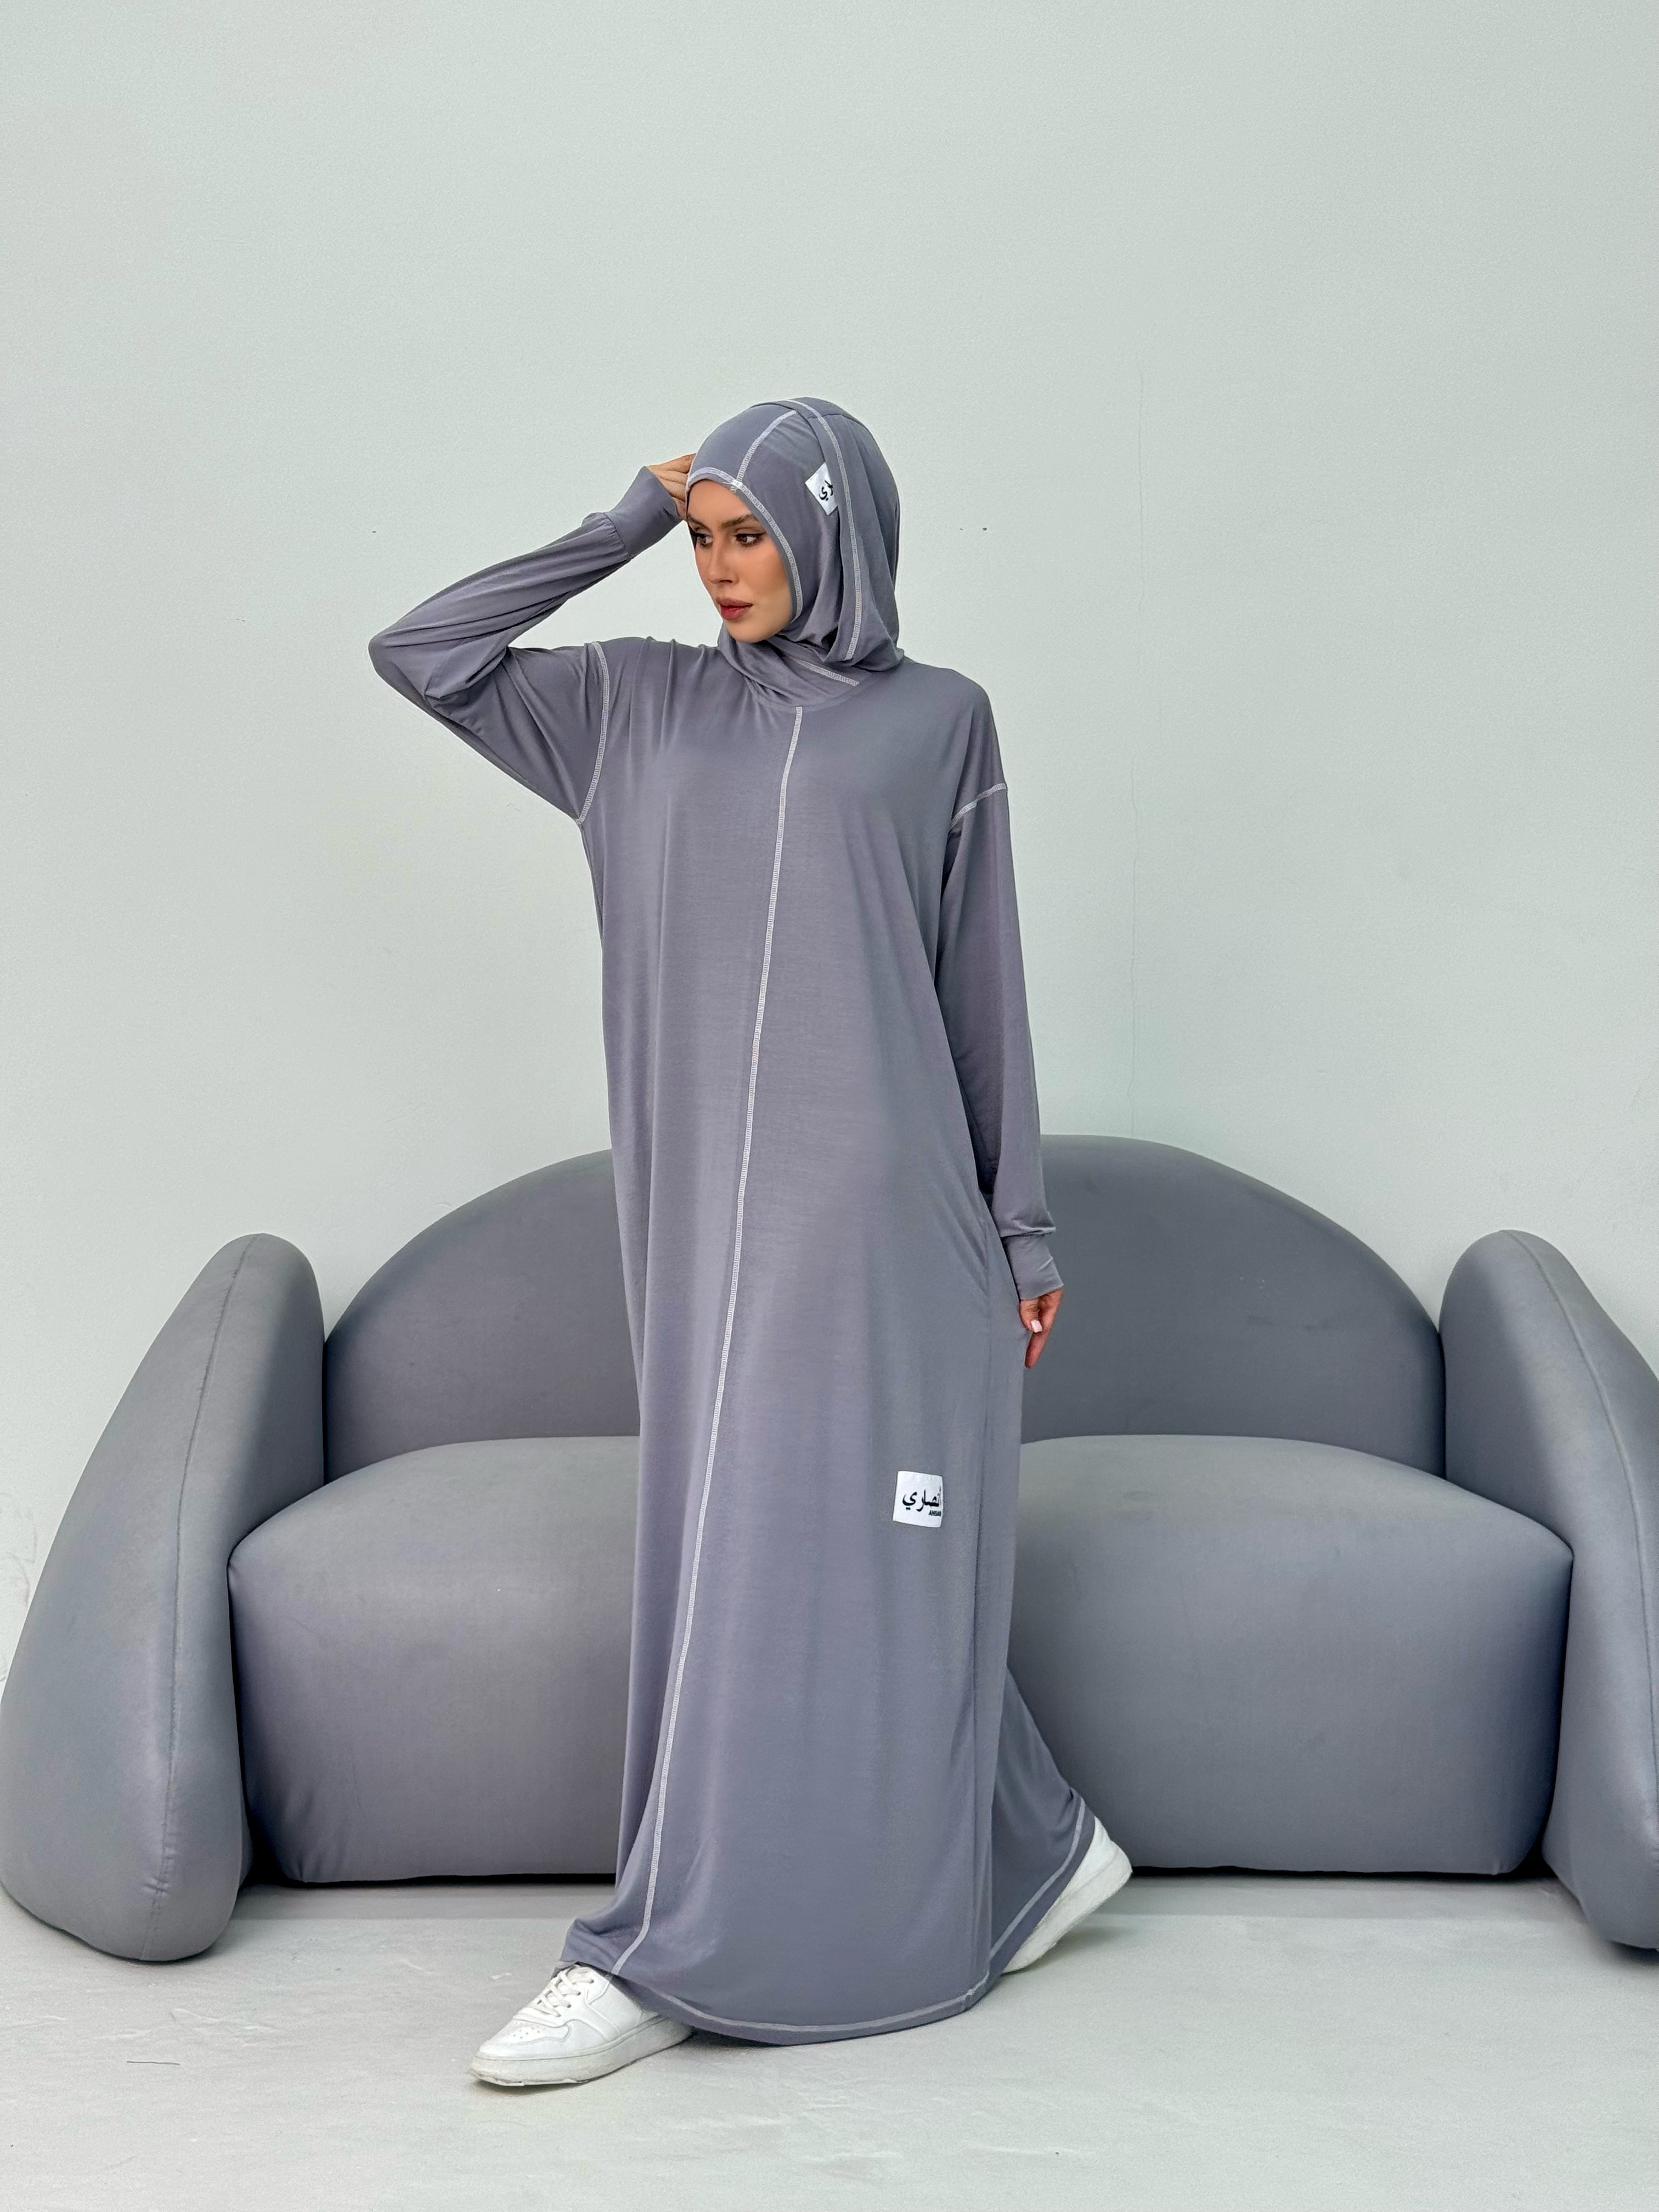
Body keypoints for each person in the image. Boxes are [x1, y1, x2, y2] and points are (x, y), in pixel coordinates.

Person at [368, 398, 1131, 2090]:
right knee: (759, 1552)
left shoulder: (937, 724)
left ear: (832, 537)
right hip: (706, 1234)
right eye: (707, 537)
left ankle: (663, 1950)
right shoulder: (629, 709)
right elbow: (422, 652)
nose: (722, 569)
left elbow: (980, 984)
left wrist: (1020, 1226)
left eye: (752, 535)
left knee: (844, 1564)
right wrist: (617, 525)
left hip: (888, 1233)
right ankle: (1043, 1844)